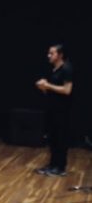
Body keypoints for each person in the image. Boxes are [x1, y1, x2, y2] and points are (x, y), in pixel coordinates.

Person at [36, 44, 74, 176]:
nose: (49, 55)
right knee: (52, 138)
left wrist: (48, 85)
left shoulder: (67, 69)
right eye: (49, 53)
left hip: (62, 111)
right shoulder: (54, 69)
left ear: (60, 55)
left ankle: (61, 167)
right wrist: (44, 88)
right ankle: (52, 165)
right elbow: (53, 91)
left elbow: (67, 90)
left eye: (52, 53)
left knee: (61, 138)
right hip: (52, 109)